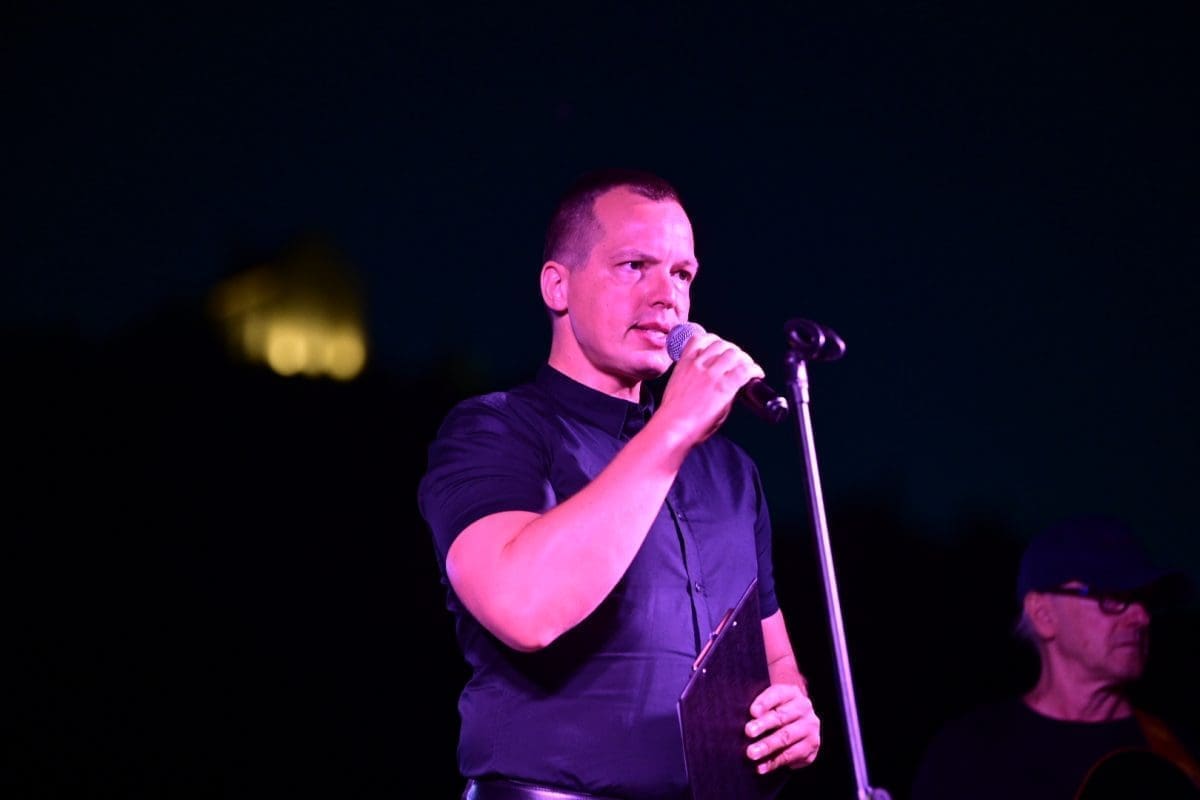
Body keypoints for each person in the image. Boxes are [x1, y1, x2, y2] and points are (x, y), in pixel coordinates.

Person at [416, 167, 821, 800]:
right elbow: (523, 607)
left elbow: (776, 662)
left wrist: (792, 711)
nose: (667, 297)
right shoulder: (496, 430)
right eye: (635, 266)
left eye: (682, 274)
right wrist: (672, 430)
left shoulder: (731, 473)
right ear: (558, 286)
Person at [911, 515, 1200, 800]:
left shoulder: (1182, 758)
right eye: (1112, 598)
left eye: (1146, 599)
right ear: (1043, 614)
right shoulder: (965, 754)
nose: (1142, 617)